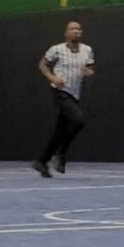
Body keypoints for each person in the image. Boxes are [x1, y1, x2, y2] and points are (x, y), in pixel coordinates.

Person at [32, 21, 95, 177]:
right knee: (78, 121)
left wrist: (88, 72)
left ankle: (42, 161)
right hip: (60, 92)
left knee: (59, 131)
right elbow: (43, 64)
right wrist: (52, 77)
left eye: (79, 29)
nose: (76, 31)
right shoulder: (57, 50)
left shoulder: (87, 50)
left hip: (75, 94)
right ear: (66, 33)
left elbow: (90, 69)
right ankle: (61, 153)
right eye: (72, 29)